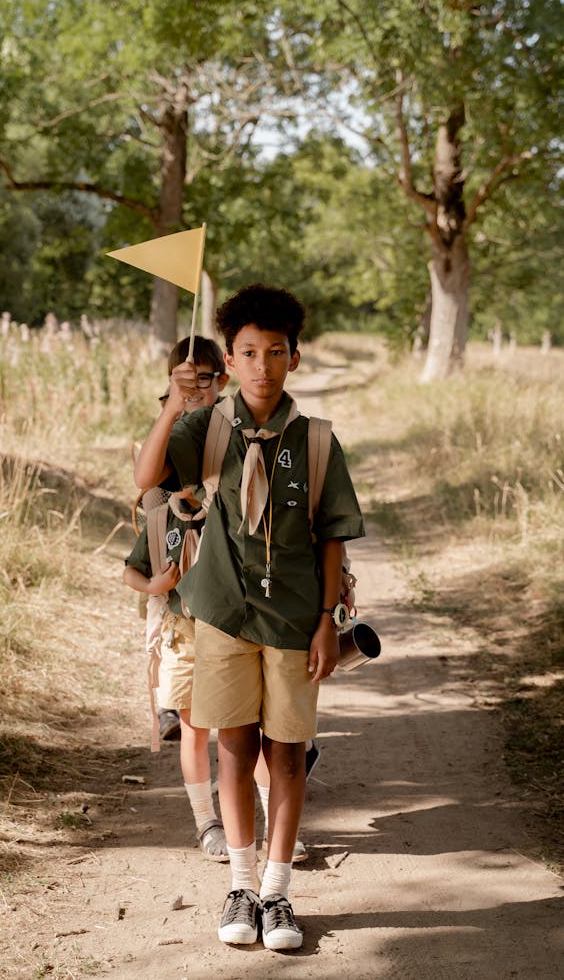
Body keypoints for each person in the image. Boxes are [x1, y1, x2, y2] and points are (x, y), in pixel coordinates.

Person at [134, 285, 365, 951]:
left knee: (286, 755)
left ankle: (277, 892)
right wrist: (179, 401)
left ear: (295, 357)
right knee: (233, 750)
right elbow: (147, 478)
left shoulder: (317, 443)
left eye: (275, 352)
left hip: (295, 621)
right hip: (222, 617)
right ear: (228, 362)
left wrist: (327, 619)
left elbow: (331, 540)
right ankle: (239, 884)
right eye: (247, 353)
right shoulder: (205, 429)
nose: (262, 365)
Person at [124, 336, 231, 861]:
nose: (196, 389)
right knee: (195, 727)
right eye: (185, 379)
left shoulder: (232, 430)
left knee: (246, 727)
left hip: (236, 615)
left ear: (223, 380)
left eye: (204, 379)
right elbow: (146, 479)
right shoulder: (169, 449)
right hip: (185, 619)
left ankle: (259, 816)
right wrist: (173, 404)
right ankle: (206, 821)